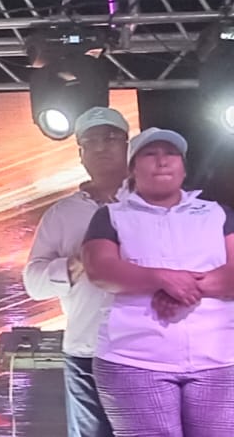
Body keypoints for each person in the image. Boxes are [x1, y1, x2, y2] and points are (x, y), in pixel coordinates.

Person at [81, 128, 234, 436]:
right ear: (132, 169)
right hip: (133, 360)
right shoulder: (111, 216)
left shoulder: (217, 213)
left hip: (220, 359)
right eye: (150, 154)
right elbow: (100, 269)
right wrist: (159, 279)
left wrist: (182, 288)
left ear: (184, 168)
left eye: (171, 154)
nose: (162, 161)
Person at [24, 107, 128, 437]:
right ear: (80, 154)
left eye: (111, 138)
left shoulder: (154, 204)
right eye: (91, 141)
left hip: (148, 351)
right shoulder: (62, 214)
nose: (101, 147)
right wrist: (74, 265)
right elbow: (33, 283)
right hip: (87, 350)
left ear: (128, 146)